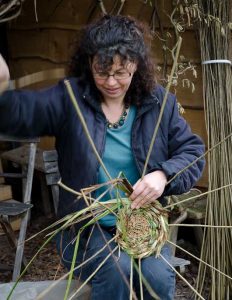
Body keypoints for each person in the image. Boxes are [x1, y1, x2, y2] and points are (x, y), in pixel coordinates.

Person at [0, 15, 205, 300]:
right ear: (89, 63)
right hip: (90, 229)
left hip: (141, 226)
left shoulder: (159, 103)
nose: (111, 82)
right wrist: (2, 88)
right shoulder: (71, 99)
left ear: (136, 63)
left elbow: (193, 153)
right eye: (101, 71)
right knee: (116, 269)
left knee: (157, 275)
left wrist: (164, 175)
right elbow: (22, 113)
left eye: (121, 72)